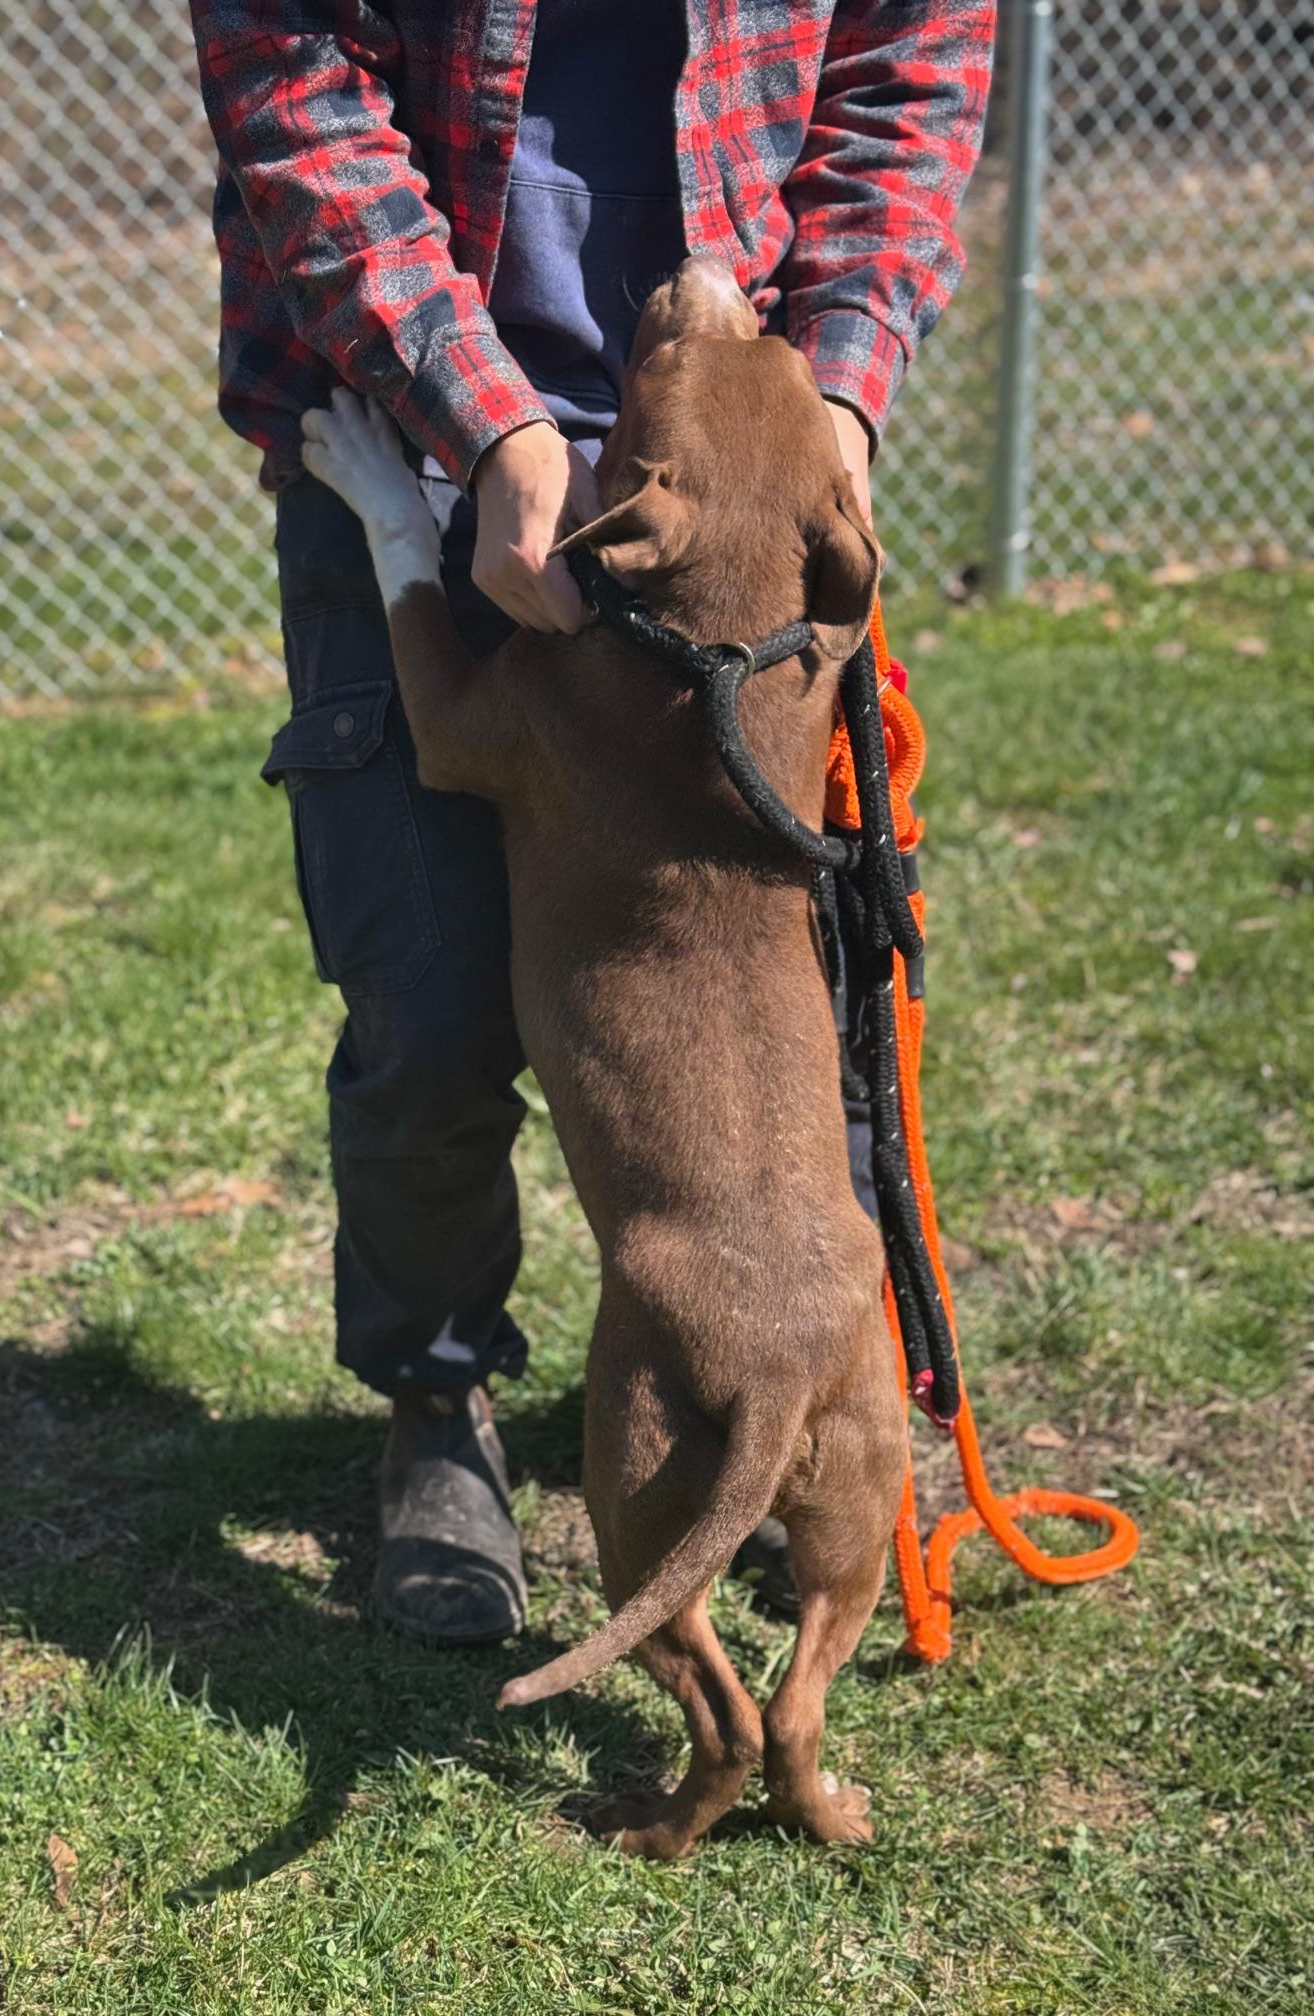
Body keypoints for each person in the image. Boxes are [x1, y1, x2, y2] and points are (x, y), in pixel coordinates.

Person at [188, 1, 995, 1644]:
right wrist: (482, 426)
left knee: (802, 1020)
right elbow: (293, 88)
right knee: (425, 1003)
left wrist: (833, 399)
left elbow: (907, 88)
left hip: (734, 496)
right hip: (404, 428)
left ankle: (809, 1426)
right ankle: (436, 1406)